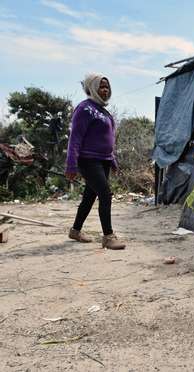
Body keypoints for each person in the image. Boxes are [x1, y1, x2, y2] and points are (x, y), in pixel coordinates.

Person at [65, 73, 126, 250]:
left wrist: (112, 161)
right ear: (92, 88)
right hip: (88, 160)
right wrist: (71, 164)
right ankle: (108, 236)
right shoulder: (84, 108)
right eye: (101, 86)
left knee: (89, 197)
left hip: (103, 160)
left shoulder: (104, 111)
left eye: (107, 86)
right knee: (105, 194)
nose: (105, 90)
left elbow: (106, 140)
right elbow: (75, 138)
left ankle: (75, 230)